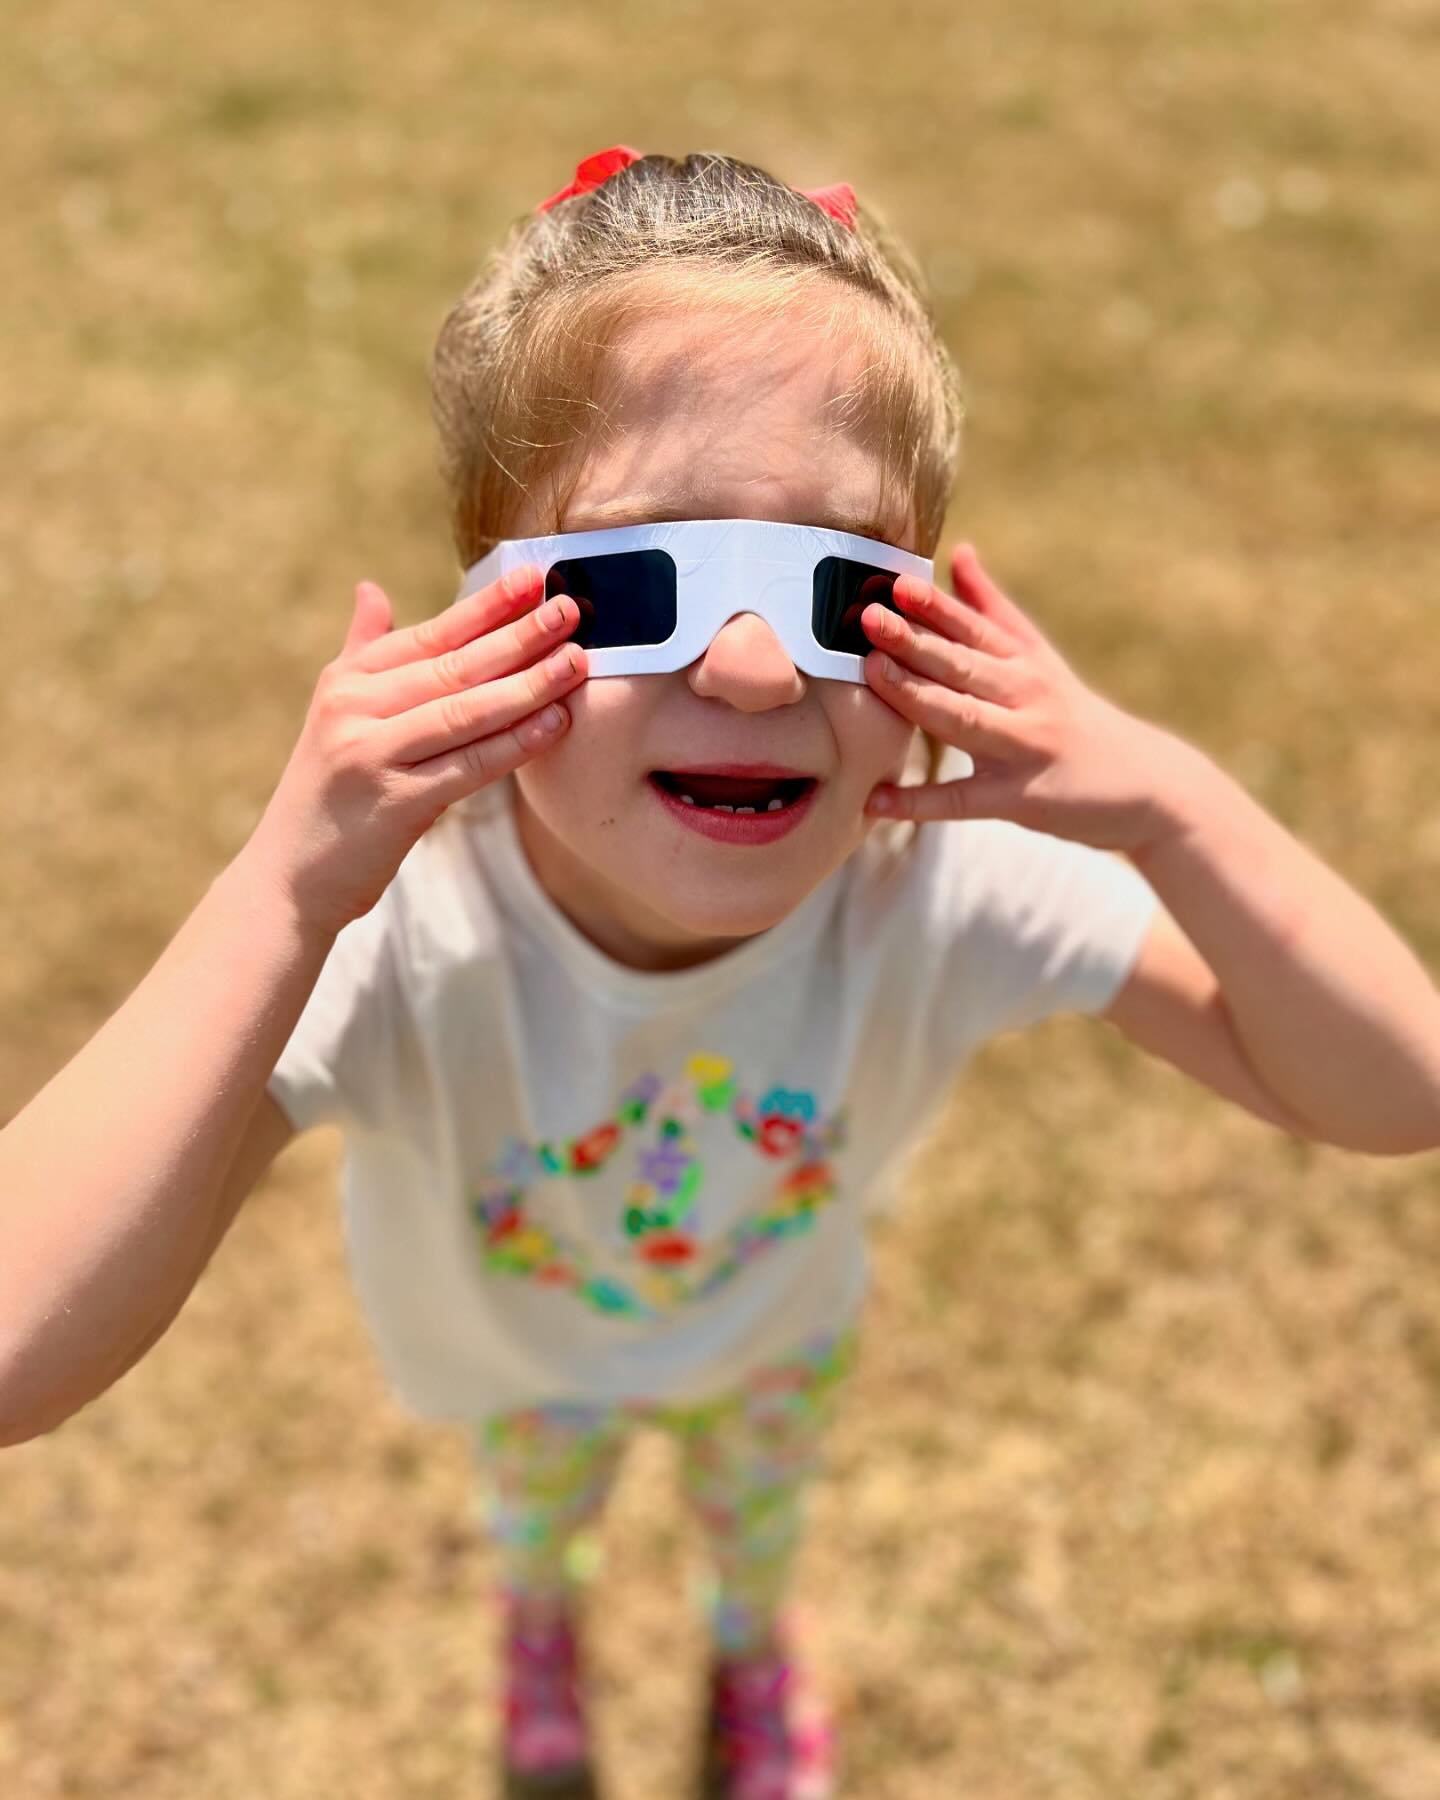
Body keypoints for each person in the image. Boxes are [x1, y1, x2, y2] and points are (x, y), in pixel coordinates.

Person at [2, 145, 1437, 1800]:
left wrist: (1173, 802)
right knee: (539, 1515)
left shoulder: (933, 881)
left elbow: (1398, 1090)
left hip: (771, 1336)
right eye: (633, 586)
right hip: (518, 1359)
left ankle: (753, 1646)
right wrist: (279, 894)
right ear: (476, 624)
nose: (753, 667)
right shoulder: (400, 939)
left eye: (842, 591)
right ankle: (542, 1628)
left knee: (758, 1516)